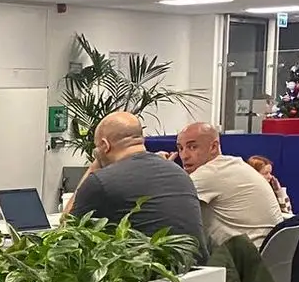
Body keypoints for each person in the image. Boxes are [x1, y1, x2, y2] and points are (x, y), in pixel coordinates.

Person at [68, 113, 206, 264]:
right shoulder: (179, 173)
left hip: (149, 273)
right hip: (197, 270)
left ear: (105, 145)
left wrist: (95, 164)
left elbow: (67, 231)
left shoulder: (101, 181)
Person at [177, 123, 284, 248]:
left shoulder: (211, 173)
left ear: (213, 147)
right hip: (267, 253)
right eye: (180, 148)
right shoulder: (233, 165)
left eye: (192, 147)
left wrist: (162, 169)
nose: (184, 156)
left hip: (246, 256)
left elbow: (166, 204)